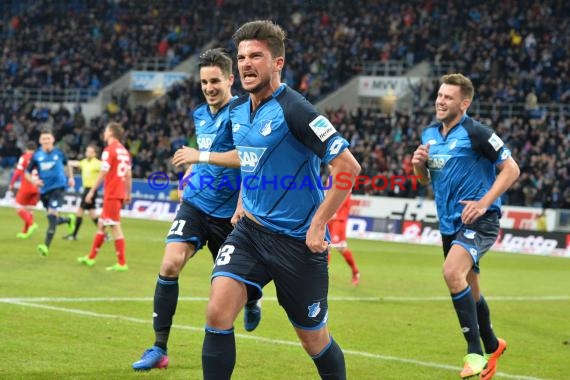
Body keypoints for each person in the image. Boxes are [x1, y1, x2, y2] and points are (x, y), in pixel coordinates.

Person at [172, 20, 360, 380]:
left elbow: (348, 166)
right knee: (217, 311)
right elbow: (248, 161)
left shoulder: (297, 109)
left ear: (277, 63)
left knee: (314, 340)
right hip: (251, 234)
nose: (246, 63)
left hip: (297, 244)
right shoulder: (239, 110)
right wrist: (243, 198)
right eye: (242, 56)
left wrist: (320, 222)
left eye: (256, 55)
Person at [132, 48, 261, 372]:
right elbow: (204, 152)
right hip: (196, 204)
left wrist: (198, 159)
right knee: (170, 263)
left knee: (233, 287)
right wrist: (191, 175)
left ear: (230, 79)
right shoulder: (201, 114)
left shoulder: (242, 111)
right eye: (204, 81)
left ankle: (253, 298)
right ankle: (159, 349)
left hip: (229, 215)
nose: (209, 87)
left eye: (215, 80)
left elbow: (246, 158)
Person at [412, 73, 519, 379]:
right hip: (449, 225)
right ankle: (493, 344)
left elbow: (511, 169)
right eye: (439, 95)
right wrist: (419, 166)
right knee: (470, 291)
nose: (440, 100)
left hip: (479, 220)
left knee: (451, 273)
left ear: (464, 102)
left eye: (448, 97)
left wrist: (484, 202)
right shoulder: (429, 133)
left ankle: (474, 352)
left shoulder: (478, 132)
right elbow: (425, 180)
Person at [77, 122, 132, 271]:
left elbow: (103, 171)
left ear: (111, 133)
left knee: (114, 226)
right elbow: (128, 174)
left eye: (106, 131)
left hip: (112, 193)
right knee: (102, 225)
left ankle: (122, 263)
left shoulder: (109, 150)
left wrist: (92, 191)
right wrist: (128, 192)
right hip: (118, 192)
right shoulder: (124, 151)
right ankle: (91, 258)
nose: (104, 133)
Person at [25, 129, 76, 256]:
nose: (46, 141)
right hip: (44, 190)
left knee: (52, 214)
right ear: (40, 141)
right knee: (52, 219)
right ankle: (68, 220)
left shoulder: (59, 153)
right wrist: (34, 182)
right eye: (44, 139)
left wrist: (71, 178)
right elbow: (26, 173)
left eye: (48, 138)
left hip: (58, 188)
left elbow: (68, 164)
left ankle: (45, 246)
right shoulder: (37, 156)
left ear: (53, 139)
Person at [65, 144, 103, 240]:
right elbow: (70, 163)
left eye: (90, 152)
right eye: (87, 151)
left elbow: (106, 171)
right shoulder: (84, 162)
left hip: (91, 190)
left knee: (80, 212)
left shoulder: (98, 164)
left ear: (95, 154)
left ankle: (74, 235)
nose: (88, 153)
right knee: (92, 214)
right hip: (86, 189)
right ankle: (104, 234)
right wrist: (71, 176)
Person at [327, 191, 360, 286]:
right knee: (340, 248)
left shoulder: (344, 185)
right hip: (330, 220)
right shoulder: (333, 181)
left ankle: (323, 275)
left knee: (328, 247)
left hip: (338, 220)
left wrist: (332, 213)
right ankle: (355, 271)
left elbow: (339, 202)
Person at [9, 141, 40, 239]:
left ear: (27, 148)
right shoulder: (39, 157)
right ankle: (25, 232)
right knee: (29, 209)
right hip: (37, 187)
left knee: (18, 207)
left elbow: (18, 172)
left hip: (27, 185)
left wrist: (12, 183)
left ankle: (32, 224)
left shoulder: (24, 157)